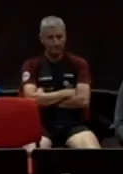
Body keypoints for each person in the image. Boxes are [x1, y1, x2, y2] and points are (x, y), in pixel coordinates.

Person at [21, 16, 101, 149]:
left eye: (59, 37)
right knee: (31, 152)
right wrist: (67, 93)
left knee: (92, 150)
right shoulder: (31, 65)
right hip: (42, 125)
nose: (56, 42)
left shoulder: (78, 63)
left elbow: (83, 100)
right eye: (50, 38)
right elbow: (30, 100)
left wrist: (44, 99)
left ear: (65, 36)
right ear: (41, 39)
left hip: (73, 124)